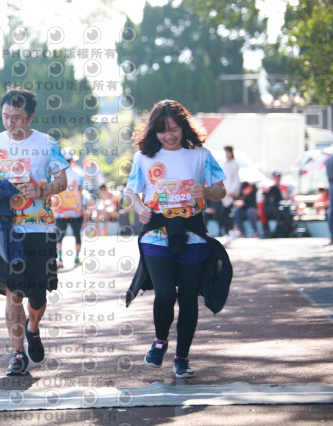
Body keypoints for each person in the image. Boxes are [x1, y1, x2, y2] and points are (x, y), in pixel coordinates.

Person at [121, 99, 230, 379]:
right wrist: (140, 208)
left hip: (192, 235)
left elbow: (221, 190)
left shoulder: (201, 155)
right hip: (156, 234)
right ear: (153, 131)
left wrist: (206, 192)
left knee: (188, 299)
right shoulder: (143, 157)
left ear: (183, 127)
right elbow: (130, 192)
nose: (168, 135)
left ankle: (182, 357)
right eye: (162, 130)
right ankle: (160, 341)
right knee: (165, 293)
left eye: (174, 129)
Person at [0, 88, 68, 376]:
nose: (10, 122)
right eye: (5, 116)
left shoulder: (46, 143)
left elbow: (62, 181)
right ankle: (17, 353)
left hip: (40, 228)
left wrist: (42, 190)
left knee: (37, 296)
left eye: (17, 117)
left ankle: (33, 327)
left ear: (30, 117)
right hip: (6, 229)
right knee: (13, 293)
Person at [52, 147, 84, 268]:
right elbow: (79, 193)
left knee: (59, 236)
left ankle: (60, 259)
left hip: (60, 211)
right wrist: (80, 207)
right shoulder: (77, 174)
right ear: (72, 160)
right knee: (77, 234)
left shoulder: (55, 175)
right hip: (75, 210)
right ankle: (76, 258)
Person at [263, 171, 294, 238]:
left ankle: (288, 231)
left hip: (284, 206)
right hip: (273, 210)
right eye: (275, 177)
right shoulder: (269, 187)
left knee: (288, 213)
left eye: (278, 177)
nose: (277, 178)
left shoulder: (285, 186)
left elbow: (290, 196)